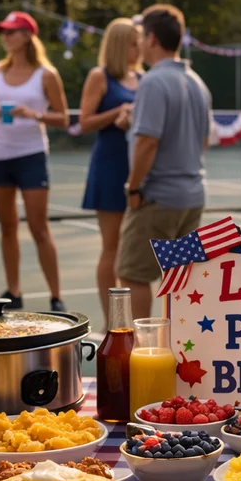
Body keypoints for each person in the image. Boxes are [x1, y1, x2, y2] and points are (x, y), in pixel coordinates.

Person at [117, 4, 212, 321]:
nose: (139, 44)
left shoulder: (154, 82)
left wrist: (134, 187)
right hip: (191, 196)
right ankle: (180, 348)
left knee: (133, 276)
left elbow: (147, 141)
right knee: (180, 279)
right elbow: (204, 141)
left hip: (158, 199)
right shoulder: (197, 81)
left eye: (142, 36)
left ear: (153, 39)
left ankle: (143, 356)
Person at [0, 11, 70, 312]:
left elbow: (63, 118)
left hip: (31, 155)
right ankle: (14, 292)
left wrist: (34, 115)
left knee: (39, 228)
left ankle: (56, 296)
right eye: (3, 32)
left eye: (12, 32)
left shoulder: (46, 74)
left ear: (28, 36)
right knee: (7, 228)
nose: (5, 37)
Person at [80, 18, 144, 324]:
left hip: (139, 167)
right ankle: (112, 322)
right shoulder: (100, 76)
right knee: (112, 246)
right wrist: (117, 113)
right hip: (109, 165)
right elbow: (85, 122)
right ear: (120, 45)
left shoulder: (145, 78)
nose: (139, 48)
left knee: (133, 249)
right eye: (133, 42)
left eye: (140, 41)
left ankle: (131, 320)